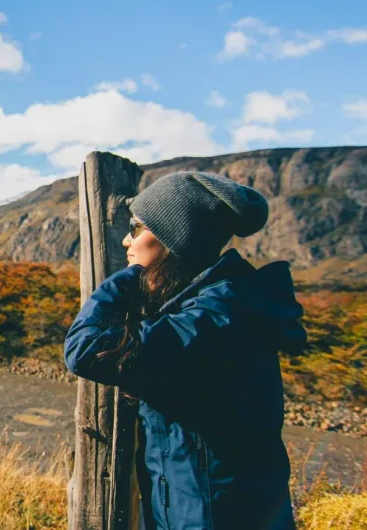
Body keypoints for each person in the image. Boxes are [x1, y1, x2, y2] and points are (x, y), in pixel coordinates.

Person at [64, 171, 306, 529]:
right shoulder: (206, 307)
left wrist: (129, 277)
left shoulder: (218, 317)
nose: (126, 242)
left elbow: (84, 349)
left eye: (137, 227)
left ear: (170, 239)